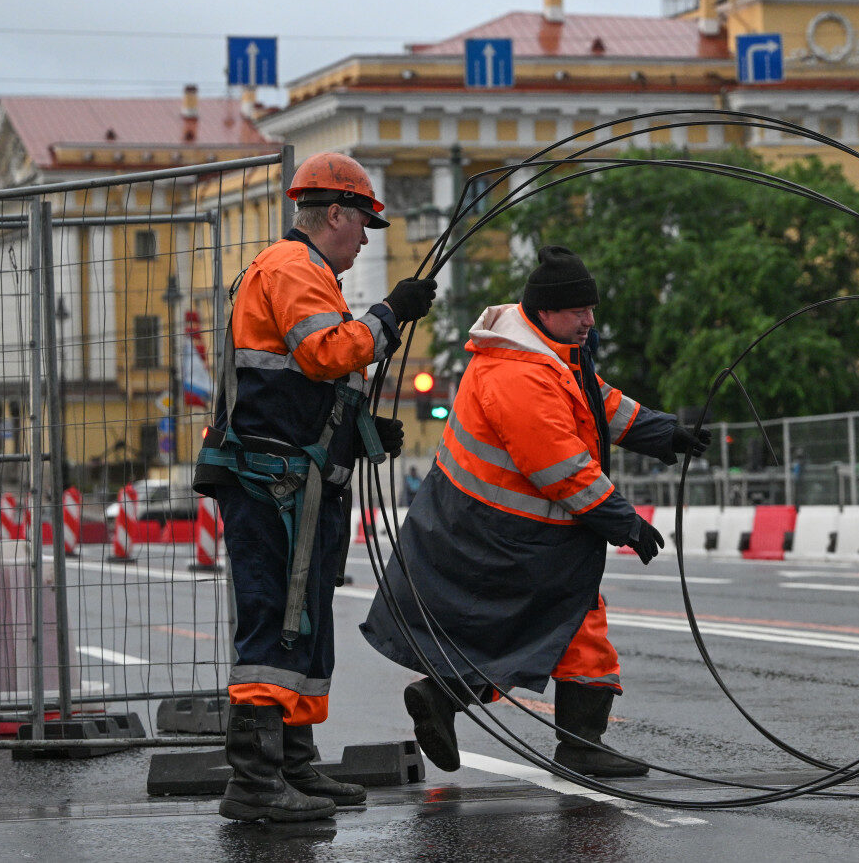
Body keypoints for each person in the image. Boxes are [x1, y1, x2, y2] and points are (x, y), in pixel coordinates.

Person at [359, 245, 710, 779]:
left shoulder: (546, 351)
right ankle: (577, 745)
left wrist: (663, 431)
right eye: (579, 312)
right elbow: (561, 467)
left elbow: (597, 403)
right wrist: (626, 523)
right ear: (546, 312)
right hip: (503, 533)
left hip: (504, 529)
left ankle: (445, 698)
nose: (591, 321)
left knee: (523, 629)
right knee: (561, 624)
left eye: (590, 310)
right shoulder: (518, 375)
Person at [194, 152, 437, 822]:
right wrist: (389, 315)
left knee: (298, 626)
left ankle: (293, 765)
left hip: (294, 481)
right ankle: (255, 784)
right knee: (275, 623)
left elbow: (317, 382)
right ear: (334, 214)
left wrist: (363, 432)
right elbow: (324, 353)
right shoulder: (294, 269)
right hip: (273, 482)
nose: (365, 237)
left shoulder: (310, 273)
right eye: (363, 223)